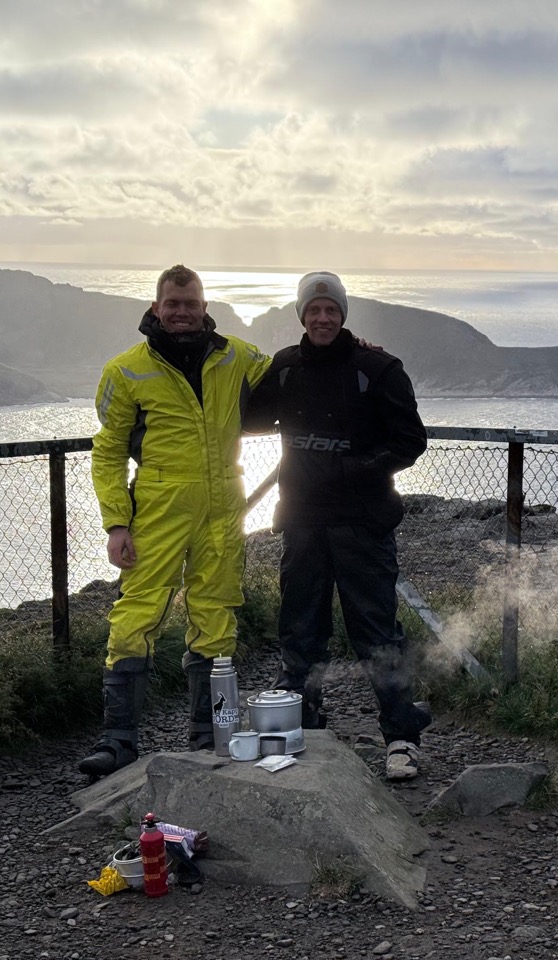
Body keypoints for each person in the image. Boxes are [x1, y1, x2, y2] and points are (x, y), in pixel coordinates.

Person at [79, 264, 272, 778]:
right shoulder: (126, 370)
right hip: (158, 508)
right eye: (173, 304)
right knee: (135, 615)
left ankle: (212, 735)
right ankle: (118, 742)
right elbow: (107, 452)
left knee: (216, 615)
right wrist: (116, 523)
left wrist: (352, 347)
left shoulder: (238, 357)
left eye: (191, 304)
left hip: (223, 506)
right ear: (156, 307)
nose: (182, 312)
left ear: (205, 307)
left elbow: (292, 376)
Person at [245, 270, 432, 780]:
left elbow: (410, 440)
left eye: (331, 309)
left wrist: (355, 470)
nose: (322, 317)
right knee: (300, 630)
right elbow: (238, 413)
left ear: (343, 315)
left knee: (376, 631)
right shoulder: (283, 369)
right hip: (302, 523)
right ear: (301, 315)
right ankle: (300, 725)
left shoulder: (377, 368)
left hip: (362, 524)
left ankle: (401, 739)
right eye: (314, 309)